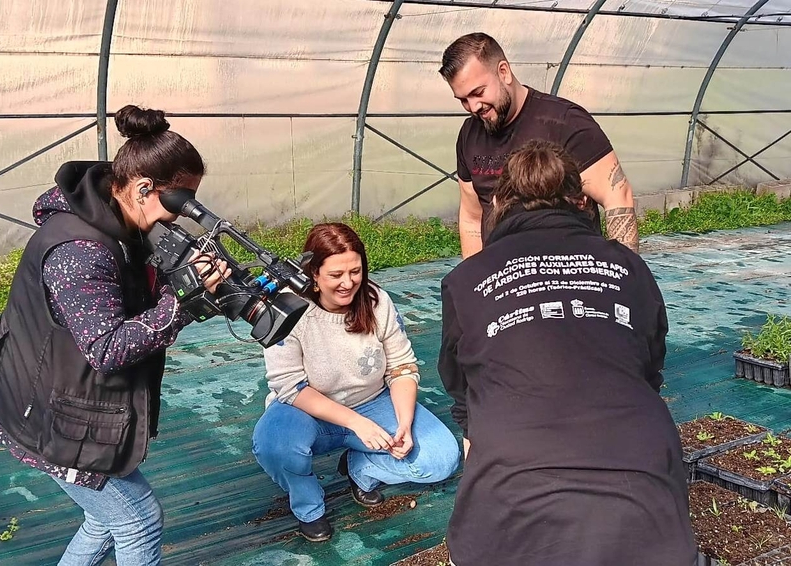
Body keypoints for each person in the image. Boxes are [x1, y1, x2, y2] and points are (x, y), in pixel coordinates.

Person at [0, 104, 230, 566]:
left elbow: (133, 295)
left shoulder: (117, 220)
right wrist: (183, 304)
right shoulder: (81, 250)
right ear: (142, 187)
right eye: (179, 202)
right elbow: (107, 348)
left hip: (56, 394)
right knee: (137, 520)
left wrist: (183, 282)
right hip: (43, 411)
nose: (180, 216)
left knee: (104, 518)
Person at [437, 141, 695, 566]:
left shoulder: (467, 279)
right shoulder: (627, 266)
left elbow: (460, 386)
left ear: (499, 203)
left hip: (509, 492)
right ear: (580, 201)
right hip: (642, 483)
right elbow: (650, 364)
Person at [251, 223, 460, 542]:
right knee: (274, 445)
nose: (348, 283)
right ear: (313, 274)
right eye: (336, 275)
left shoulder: (377, 302)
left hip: (374, 402)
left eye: (356, 271)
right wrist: (357, 423)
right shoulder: (287, 309)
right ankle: (309, 506)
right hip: (308, 410)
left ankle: (359, 468)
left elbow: (402, 366)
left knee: (442, 458)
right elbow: (290, 387)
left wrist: (403, 422)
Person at [439, 32, 640, 258]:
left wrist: (625, 274)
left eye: (478, 93)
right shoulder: (469, 135)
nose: (473, 106)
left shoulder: (566, 122)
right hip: (504, 279)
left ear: (503, 72)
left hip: (570, 276)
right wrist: (475, 278)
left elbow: (617, 197)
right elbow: (472, 217)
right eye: (463, 100)